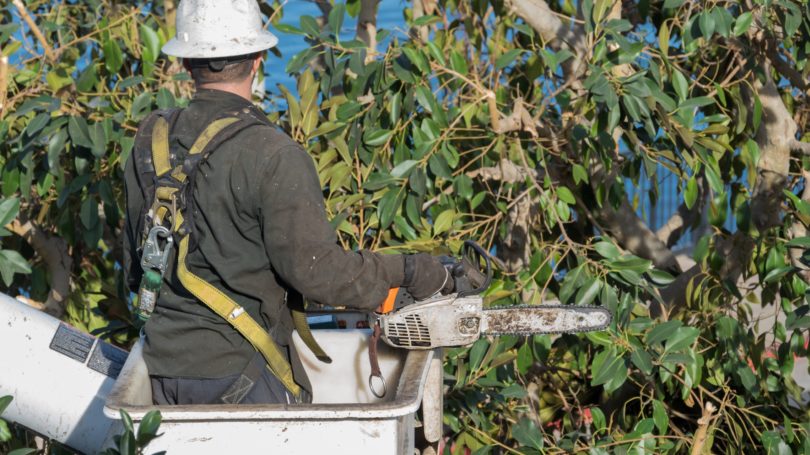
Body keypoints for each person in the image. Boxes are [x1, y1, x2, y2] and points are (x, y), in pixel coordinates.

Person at [122, 0, 451, 406]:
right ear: (259, 59)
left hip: (162, 374)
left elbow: (135, 273)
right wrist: (411, 269)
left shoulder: (149, 139)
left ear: (187, 63)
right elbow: (317, 273)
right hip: (242, 376)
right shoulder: (273, 153)